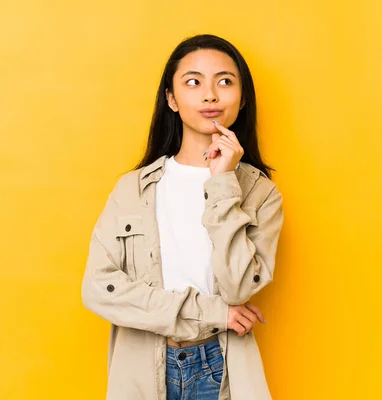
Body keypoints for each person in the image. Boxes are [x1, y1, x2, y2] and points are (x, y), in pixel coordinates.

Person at [81, 34, 284, 400]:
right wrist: (209, 311)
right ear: (172, 99)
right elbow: (99, 290)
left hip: (220, 367)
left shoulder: (260, 194)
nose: (210, 95)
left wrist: (222, 181)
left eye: (224, 81)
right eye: (193, 82)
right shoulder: (132, 190)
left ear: (242, 98)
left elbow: (240, 288)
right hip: (143, 367)